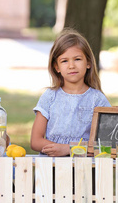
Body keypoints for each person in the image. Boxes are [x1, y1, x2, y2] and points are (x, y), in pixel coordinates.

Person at [30, 28, 111, 156]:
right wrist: (58, 148)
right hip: (51, 168)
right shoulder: (50, 96)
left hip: (84, 170)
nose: (71, 65)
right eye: (64, 61)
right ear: (56, 67)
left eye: (77, 59)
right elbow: (35, 141)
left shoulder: (98, 100)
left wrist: (69, 149)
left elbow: (106, 145)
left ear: (88, 63)